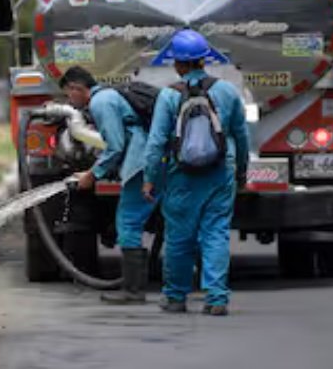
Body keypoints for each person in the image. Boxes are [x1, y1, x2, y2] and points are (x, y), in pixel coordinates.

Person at [142, 29, 250, 316]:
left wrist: (150, 178)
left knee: (179, 237)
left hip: (181, 177)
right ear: (204, 59)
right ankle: (216, 298)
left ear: (178, 64)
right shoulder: (227, 91)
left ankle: (176, 297)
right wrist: (241, 172)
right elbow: (241, 136)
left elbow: (155, 144)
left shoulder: (168, 96)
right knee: (215, 233)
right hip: (219, 174)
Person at [60, 66, 159, 304]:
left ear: (77, 88)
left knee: (128, 222)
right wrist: (93, 172)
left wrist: (92, 176)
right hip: (149, 160)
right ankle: (176, 287)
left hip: (140, 165)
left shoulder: (100, 103)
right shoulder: (108, 96)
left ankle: (134, 292)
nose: (69, 100)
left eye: (68, 94)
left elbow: (115, 146)